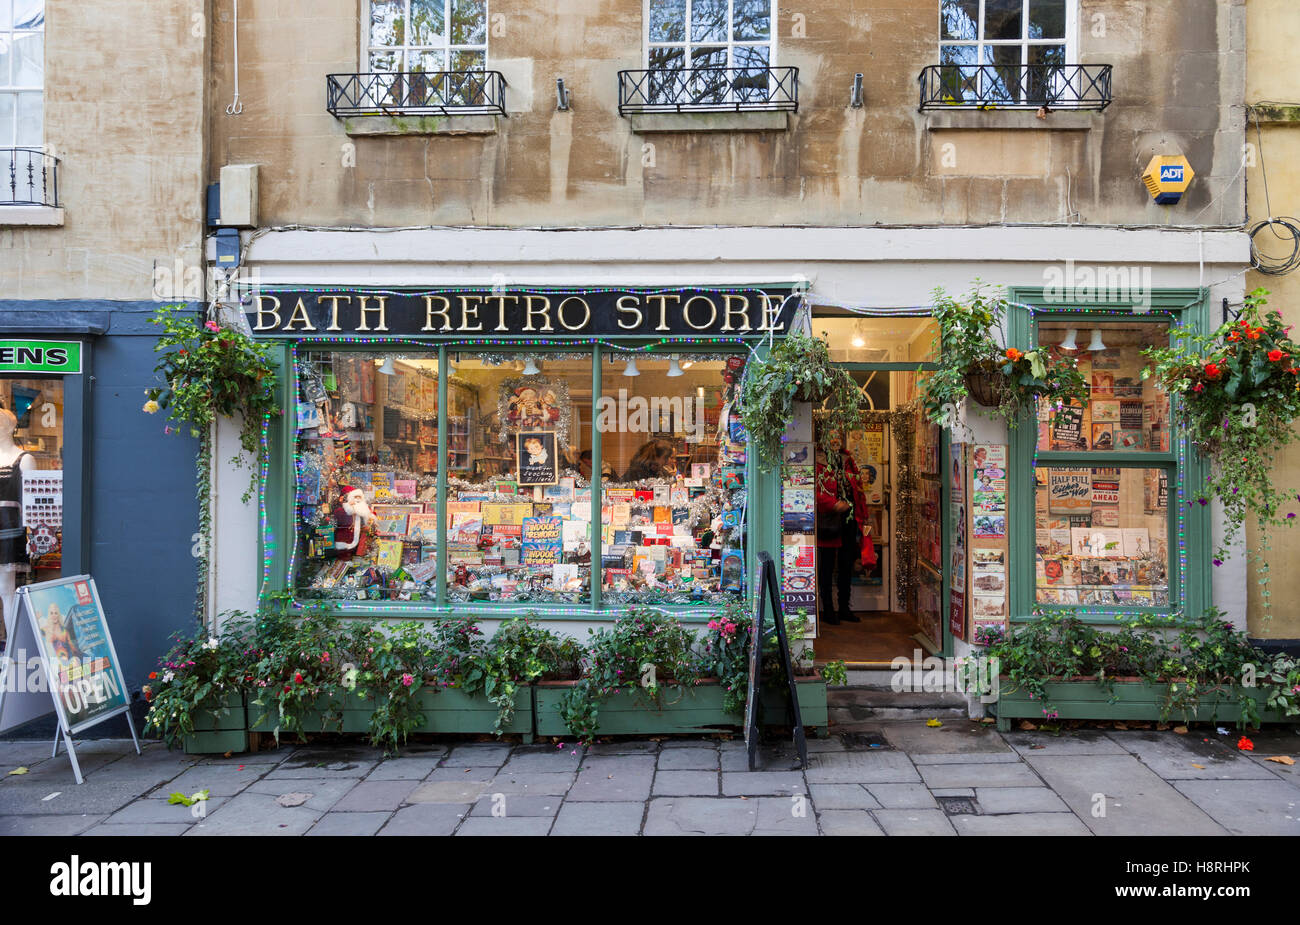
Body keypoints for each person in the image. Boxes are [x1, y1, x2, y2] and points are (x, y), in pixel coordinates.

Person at [815, 438, 877, 626]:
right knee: (826, 566)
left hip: (849, 519)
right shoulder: (817, 460)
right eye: (831, 435)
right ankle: (827, 609)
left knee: (846, 564)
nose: (835, 439)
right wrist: (832, 504)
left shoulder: (847, 459)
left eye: (837, 435)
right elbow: (812, 491)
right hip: (829, 519)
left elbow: (857, 490)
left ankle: (844, 608)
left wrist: (863, 514)